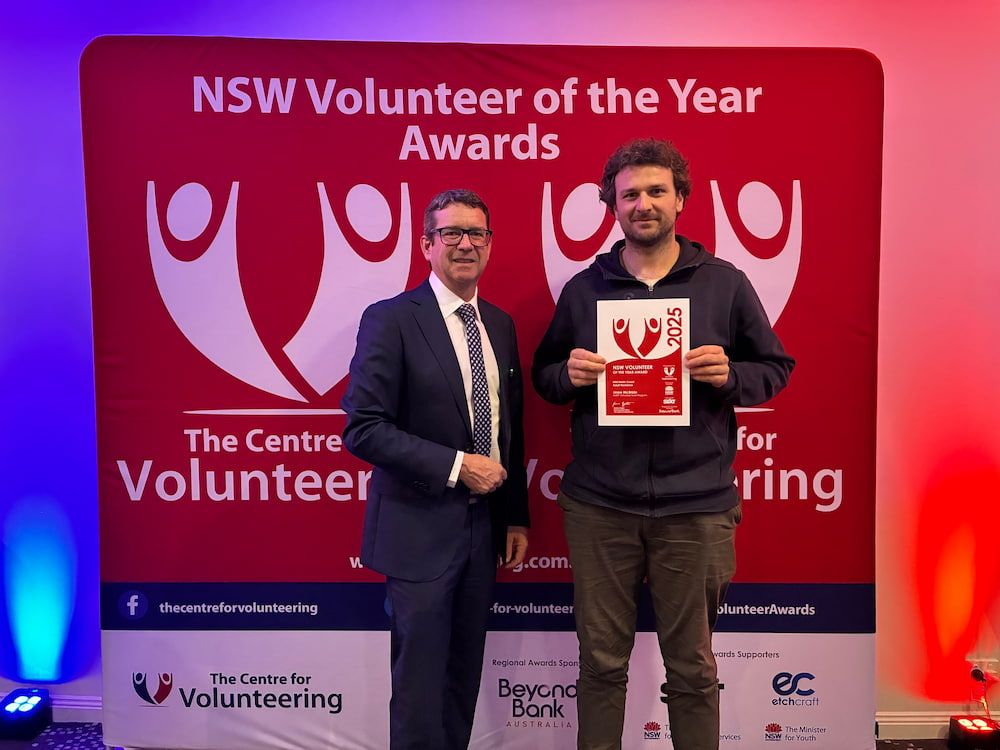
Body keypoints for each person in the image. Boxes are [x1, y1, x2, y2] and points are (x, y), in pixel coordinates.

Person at [532, 138, 794, 750]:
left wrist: (729, 374)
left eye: (656, 191)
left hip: (697, 507)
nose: (643, 204)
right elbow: (544, 376)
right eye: (629, 195)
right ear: (611, 205)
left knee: (694, 670)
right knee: (599, 665)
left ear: (681, 199)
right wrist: (564, 376)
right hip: (600, 507)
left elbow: (775, 369)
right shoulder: (584, 288)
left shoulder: (724, 283)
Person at [342, 188, 529, 750]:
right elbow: (363, 428)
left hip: (483, 533)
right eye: (452, 234)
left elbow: (507, 429)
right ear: (427, 245)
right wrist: (455, 467)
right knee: (420, 688)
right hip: (417, 529)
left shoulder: (499, 325)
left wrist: (514, 516)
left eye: (477, 233)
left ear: (491, 246)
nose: (465, 244)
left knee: (461, 678)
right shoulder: (391, 320)